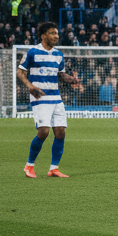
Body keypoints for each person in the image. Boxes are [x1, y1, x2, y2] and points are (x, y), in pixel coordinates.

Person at [17, 21, 83, 178]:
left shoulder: (58, 54)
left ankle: (54, 168)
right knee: (44, 132)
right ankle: (29, 165)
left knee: (60, 133)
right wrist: (30, 86)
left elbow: (61, 75)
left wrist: (72, 80)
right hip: (40, 97)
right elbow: (20, 72)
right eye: (53, 33)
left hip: (56, 97)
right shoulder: (32, 52)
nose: (56, 36)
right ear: (43, 35)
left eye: (57, 33)